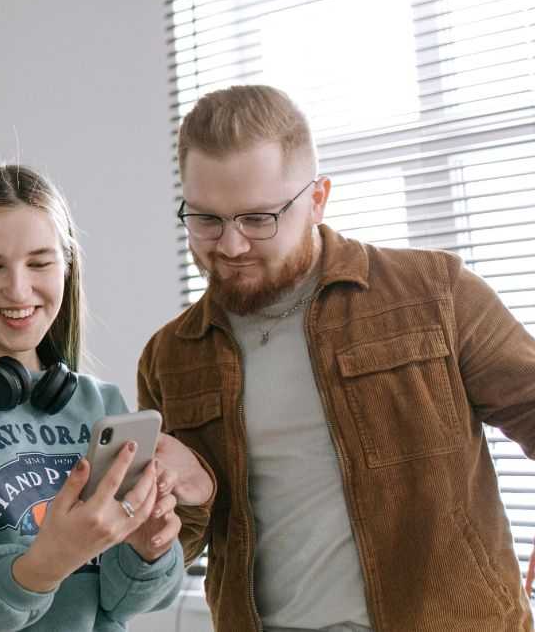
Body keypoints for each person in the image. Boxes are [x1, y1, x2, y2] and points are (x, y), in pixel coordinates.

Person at [138, 84, 535, 631]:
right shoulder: (170, 357)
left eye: (258, 219)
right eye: (206, 220)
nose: (230, 246)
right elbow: (172, 547)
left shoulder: (435, 293)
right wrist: (177, 506)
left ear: (318, 199)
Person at [0, 165, 215, 631]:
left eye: (39, 263)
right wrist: (52, 558)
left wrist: (147, 549)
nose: (18, 289)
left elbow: (124, 603)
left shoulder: (102, 405)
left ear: (67, 264)